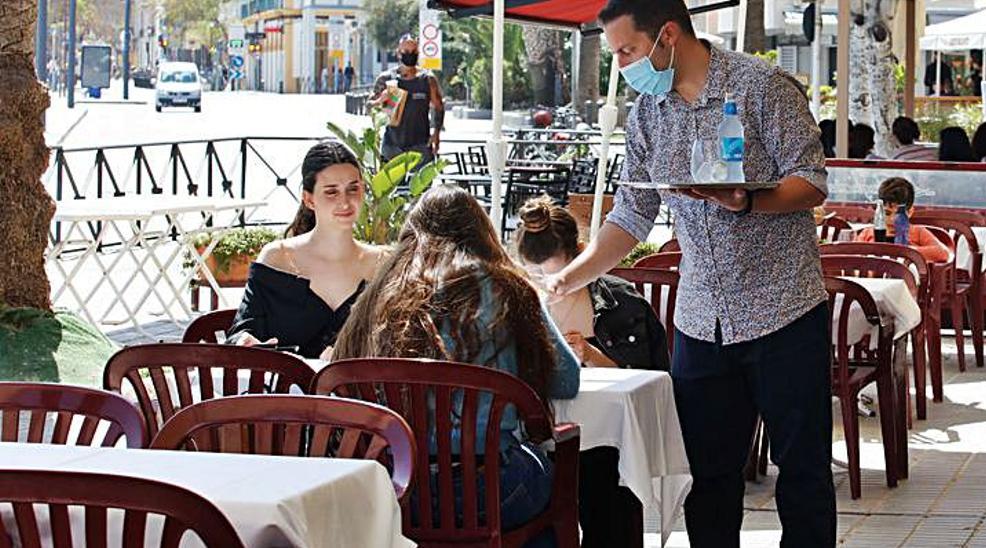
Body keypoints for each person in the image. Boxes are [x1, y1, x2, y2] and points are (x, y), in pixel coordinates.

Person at [550, 1, 837, 546]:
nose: (623, 65)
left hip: (784, 310)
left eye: (628, 51)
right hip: (702, 322)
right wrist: (571, 276)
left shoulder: (762, 87)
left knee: (803, 475)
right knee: (706, 480)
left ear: (667, 36)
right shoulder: (647, 115)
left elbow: (812, 181)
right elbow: (630, 216)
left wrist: (748, 202)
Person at [331, 185, 580, 545]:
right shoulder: (507, 288)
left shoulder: (381, 293)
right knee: (548, 496)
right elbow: (566, 380)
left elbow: (341, 380)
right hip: (492, 486)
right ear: (481, 232)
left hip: (397, 488)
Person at [514, 197, 668, 548]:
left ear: (581, 257)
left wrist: (591, 354)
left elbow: (646, 383)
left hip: (606, 441)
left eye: (557, 276)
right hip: (537, 441)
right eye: (534, 276)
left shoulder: (620, 303)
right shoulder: (518, 305)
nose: (547, 286)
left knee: (605, 486)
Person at [227, 142, 389, 359]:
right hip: (287, 382)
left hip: (359, 382)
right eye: (331, 192)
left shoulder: (383, 264)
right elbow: (241, 331)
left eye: (353, 189)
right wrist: (244, 341)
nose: (345, 202)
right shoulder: (277, 259)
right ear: (309, 199)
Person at [372, 34, 445, 164]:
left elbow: (438, 106)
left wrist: (436, 133)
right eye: (406, 51)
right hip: (392, 146)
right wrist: (380, 100)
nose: (410, 55)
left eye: (413, 51)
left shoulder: (427, 79)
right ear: (398, 53)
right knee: (392, 178)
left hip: (420, 146)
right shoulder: (386, 79)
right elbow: (369, 106)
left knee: (422, 178)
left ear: (418, 53)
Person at [853, 177, 950, 262]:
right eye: (887, 213)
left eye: (899, 214)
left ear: (910, 212)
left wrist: (906, 252)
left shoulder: (918, 232)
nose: (893, 220)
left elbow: (943, 253)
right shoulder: (868, 233)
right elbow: (852, 254)